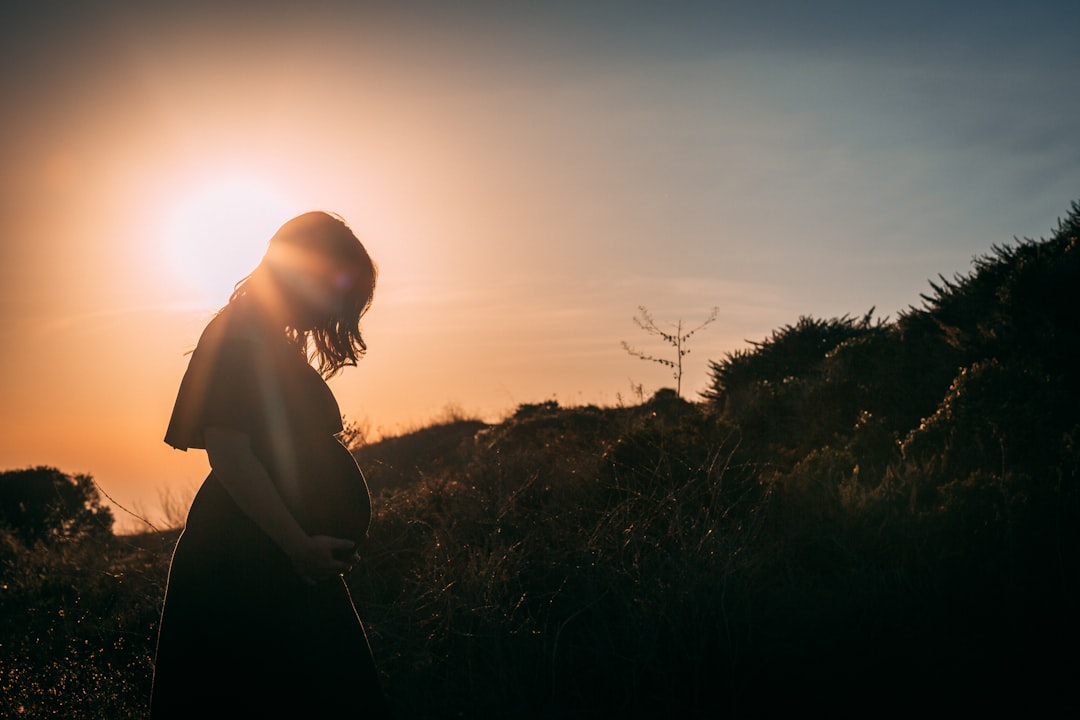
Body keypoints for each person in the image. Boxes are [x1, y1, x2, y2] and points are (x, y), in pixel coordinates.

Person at [150, 211, 391, 718]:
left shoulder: (265, 335)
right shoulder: (240, 333)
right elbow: (232, 455)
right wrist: (299, 546)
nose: (336, 305)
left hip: (275, 556)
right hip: (246, 558)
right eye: (334, 287)